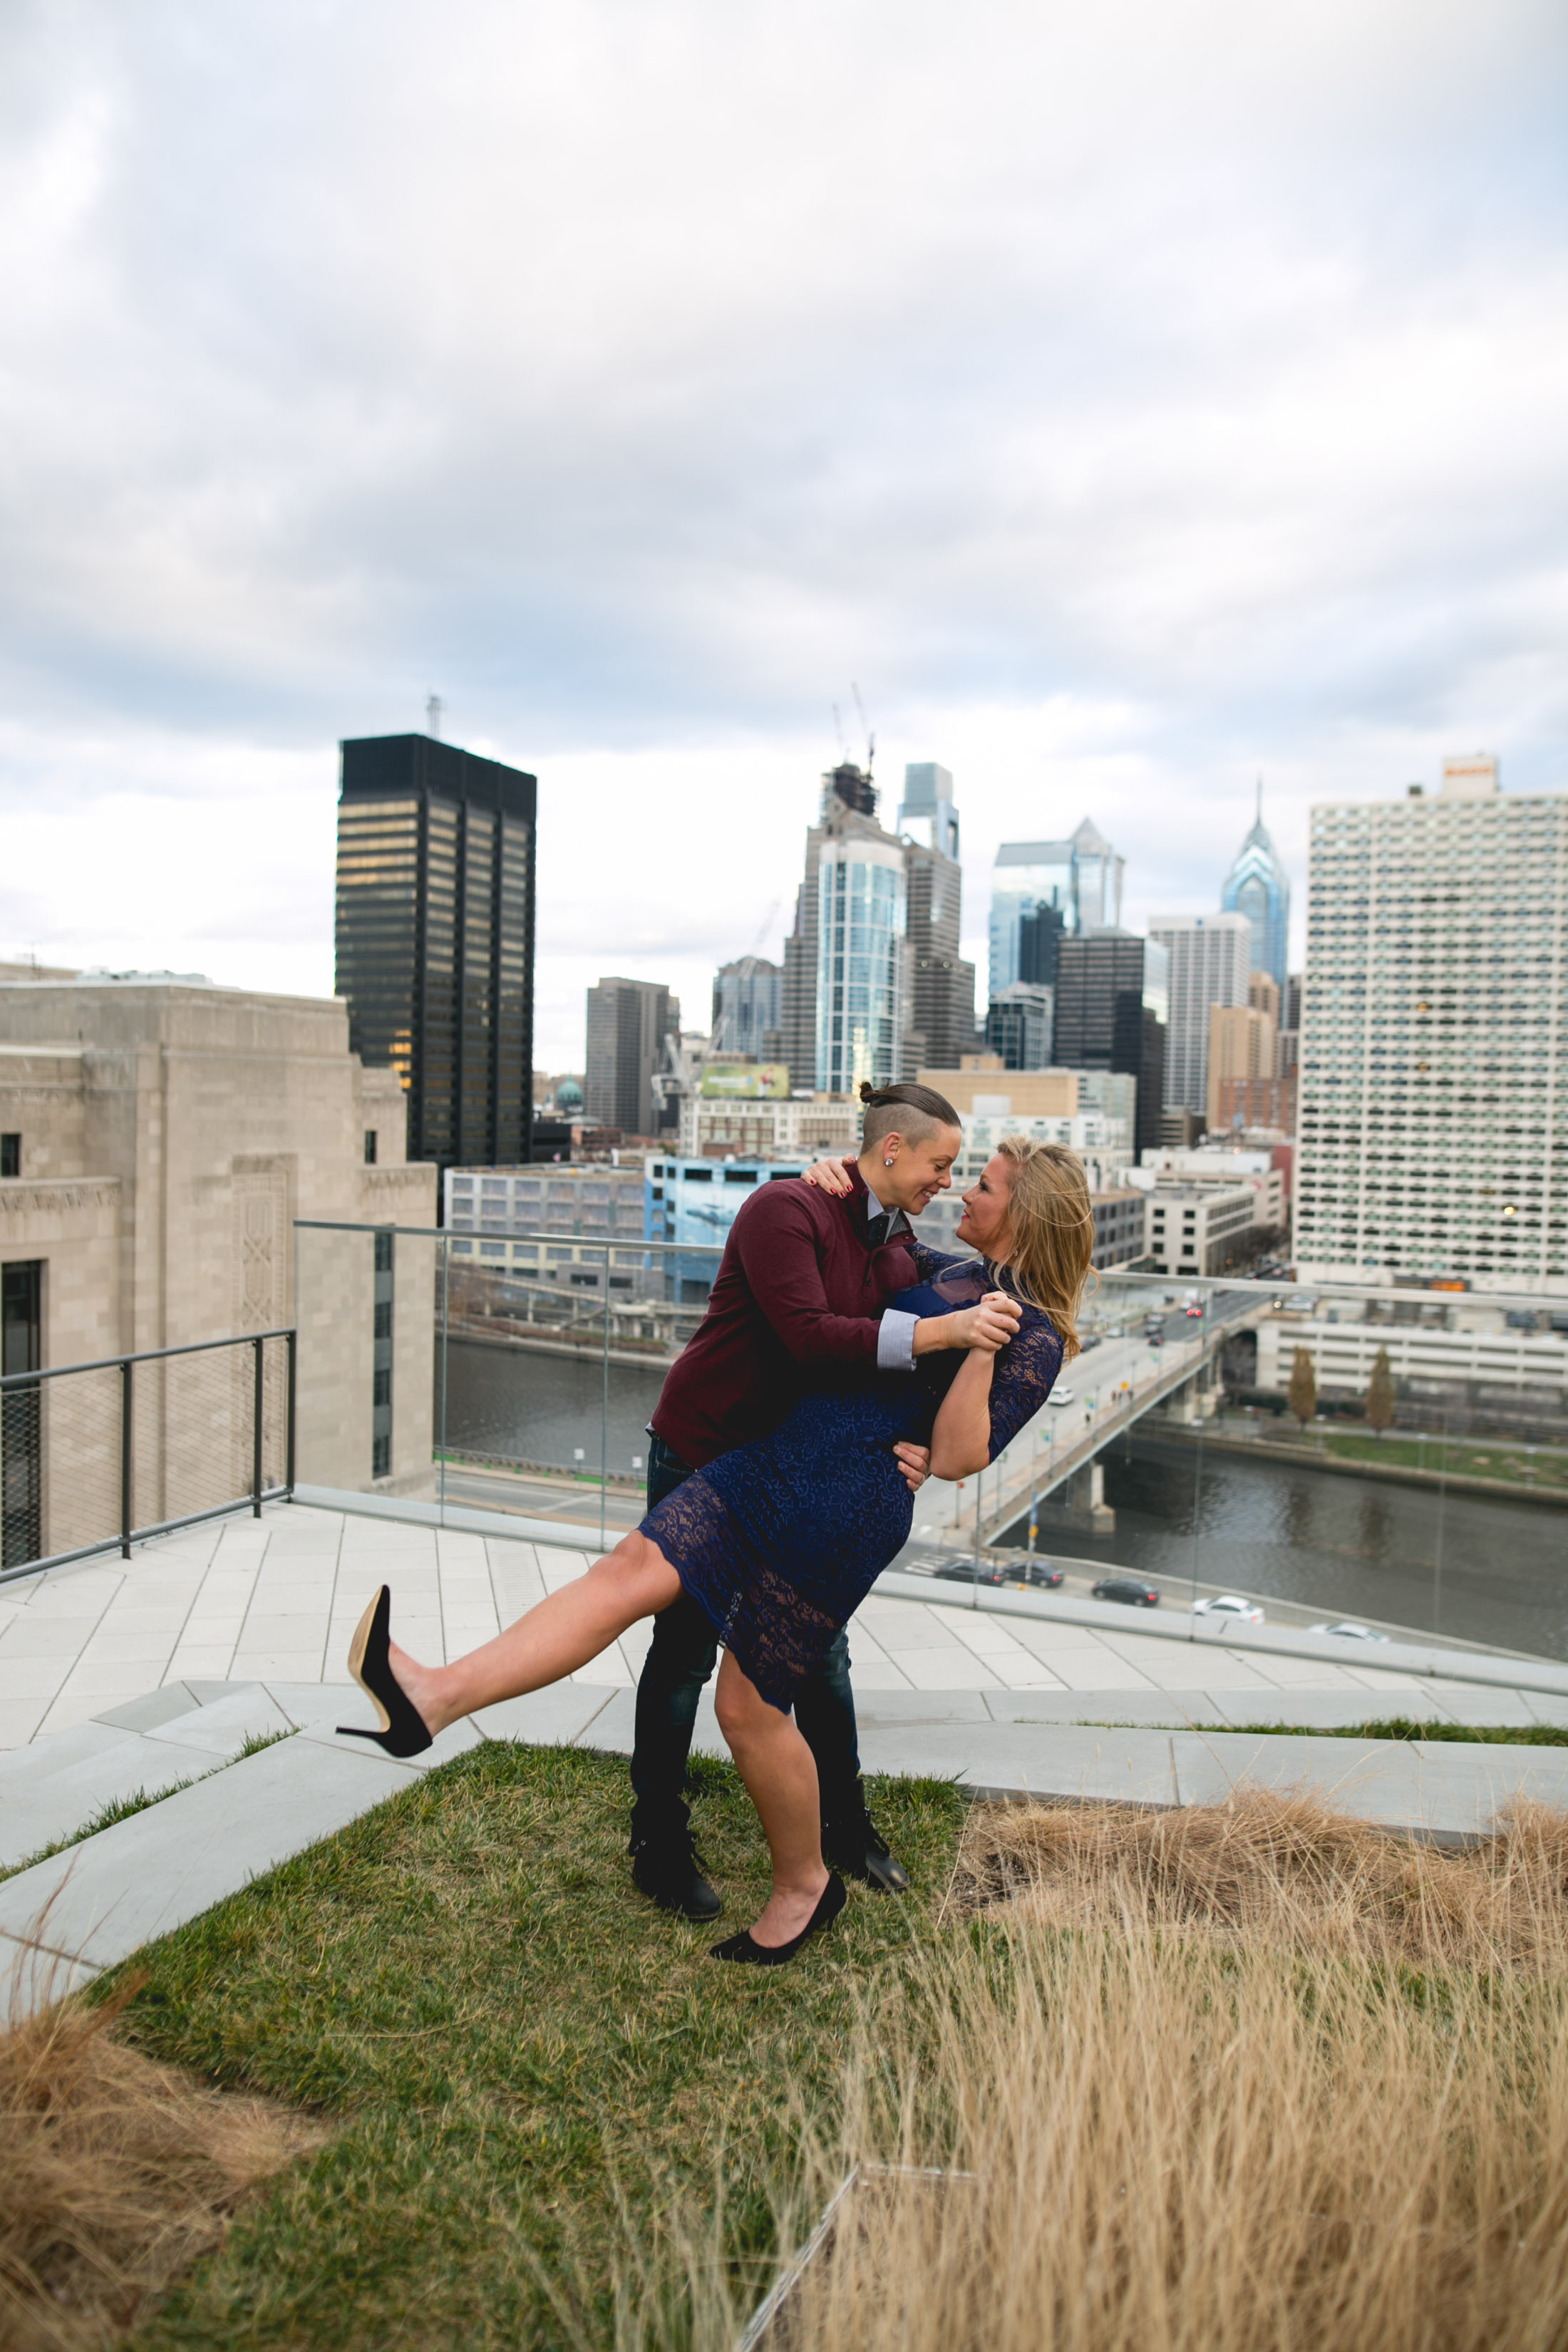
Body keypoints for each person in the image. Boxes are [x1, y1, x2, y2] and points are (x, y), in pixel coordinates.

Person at [338, 1134, 1094, 1966]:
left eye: (982, 1187)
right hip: (773, 1460)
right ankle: (431, 1698)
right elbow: (873, 1236)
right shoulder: (942, 1268)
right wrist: (826, 1180)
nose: (965, 1196)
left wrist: (979, 1347)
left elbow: (955, 1456)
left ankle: (805, 1885)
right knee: (628, 1571)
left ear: (1025, 1212)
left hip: (842, 1507)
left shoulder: (1037, 1337)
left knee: (746, 1707)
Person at [629, 1080, 969, 1921]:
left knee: (822, 1653)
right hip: (705, 1450)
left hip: (794, 1469)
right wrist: (934, 1334)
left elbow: (952, 1306)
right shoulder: (784, 1209)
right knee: (684, 1650)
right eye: (939, 1164)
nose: (946, 1183)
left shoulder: (896, 1248)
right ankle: (657, 1838)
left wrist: (921, 1441)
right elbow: (810, 1337)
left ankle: (845, 1826)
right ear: (891, 1147)